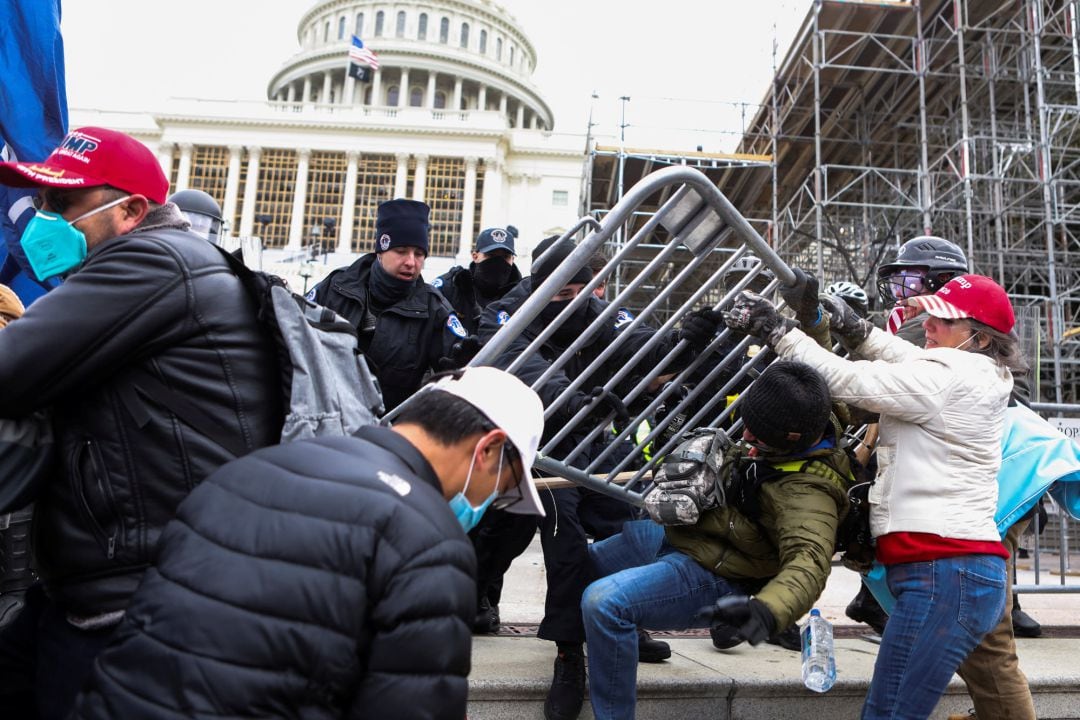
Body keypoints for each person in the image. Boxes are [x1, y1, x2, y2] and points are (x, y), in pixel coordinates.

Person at [72, 366, 547, 720]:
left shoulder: (255, 467)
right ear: (487, 448)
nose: (492, 501)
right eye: (505, 487)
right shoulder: (429, 543)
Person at [0, 127, 281, 719]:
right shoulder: (174, 266)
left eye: (62, 205)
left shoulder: (150, 262)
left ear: (129, 210)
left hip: (135, 605)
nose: (40, 219)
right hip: (122, 586)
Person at [726, 272, 1023, 720]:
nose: (928, 324)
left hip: (945, 572)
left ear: (979, 339)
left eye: (944, 320)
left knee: (890, 713)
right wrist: (858, 330)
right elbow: (906, 359)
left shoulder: (952, 376)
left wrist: (777, 332)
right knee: (890, 711)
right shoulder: (973, 370)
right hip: (950, 572)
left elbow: (847, 380)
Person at [477, 237, 722, 720]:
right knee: (564, 541)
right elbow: (533, 377)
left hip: (595, 444)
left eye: (580, 293)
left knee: (633, 526)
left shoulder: (596, 308)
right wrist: (585, 403)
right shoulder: (508, 313)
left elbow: (640, 345)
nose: (571, 303)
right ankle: (570, 653)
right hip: (536, 448)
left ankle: (621, 618)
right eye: (560, 294)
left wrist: (684, 340)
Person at [580, 360, 852, 720]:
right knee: (579, 563)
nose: (747, 438)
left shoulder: (810, 496)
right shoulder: (805, 403)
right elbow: (821, 357)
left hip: (714, 571)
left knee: (603, 603)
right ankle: (605, 646)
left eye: (758, 435)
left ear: (791, 439)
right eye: (747, 424)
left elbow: (809, 562)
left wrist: (766, 612)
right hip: (685, 533)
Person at [308, 198, 467, 410]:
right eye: (401, 251)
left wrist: (464, 363)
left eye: (419, 254)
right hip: (326, 414)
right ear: (381, 250)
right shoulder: (335, 287)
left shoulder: (434, 307)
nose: (411, 262)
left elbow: (459, 370)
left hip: (387, 426)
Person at [434, 225, 522, 334]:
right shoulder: (452, 287)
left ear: (512, 259)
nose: (498, 263)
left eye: (505, 257)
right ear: (475, 256)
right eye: (491, 255)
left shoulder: (522, 296)